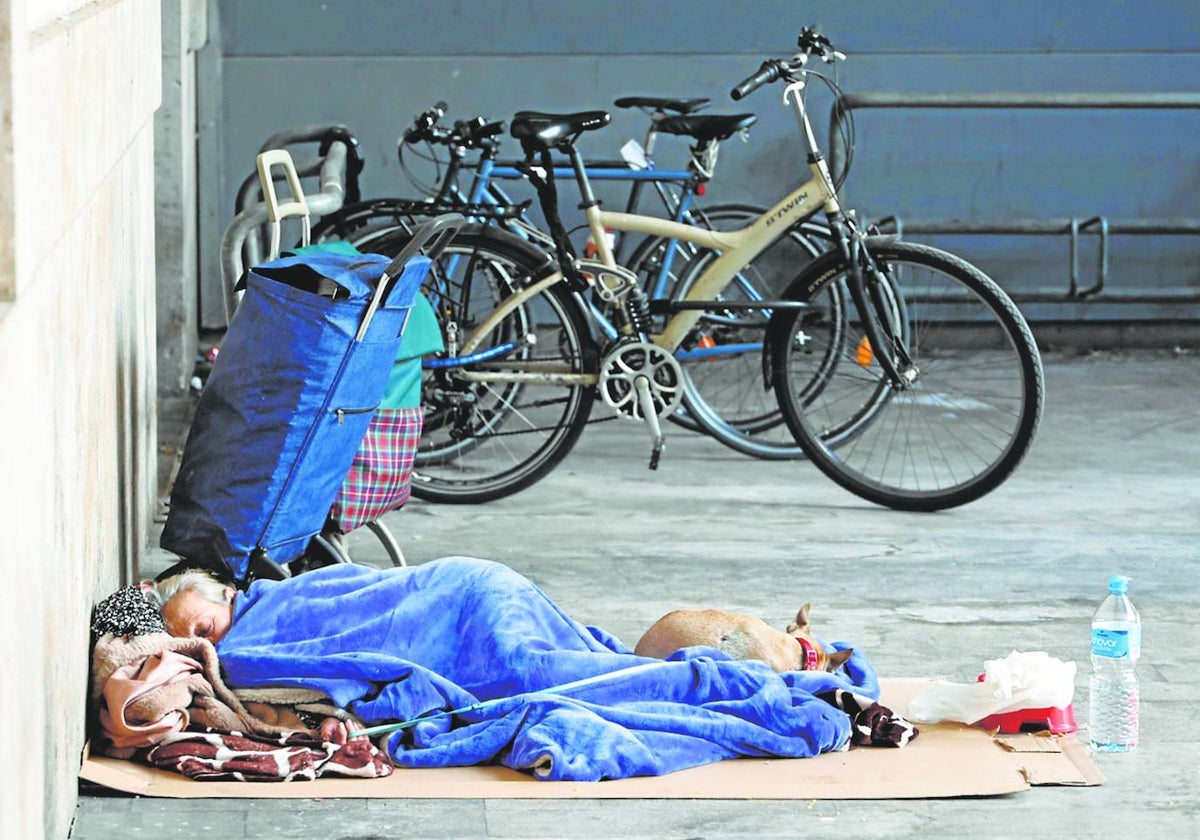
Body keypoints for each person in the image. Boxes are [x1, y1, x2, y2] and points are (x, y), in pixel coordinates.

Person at [142, 556, 886, 782]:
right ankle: (740, 678)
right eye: (197, 635)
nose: (210, 638)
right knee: (571, 669)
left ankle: (730, 684)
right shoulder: (247, 632)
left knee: (548, 677)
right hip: (473, 587)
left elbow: (376, 609)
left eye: (202, 621)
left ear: (218, 596)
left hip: (468, 600)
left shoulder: (275, 603)